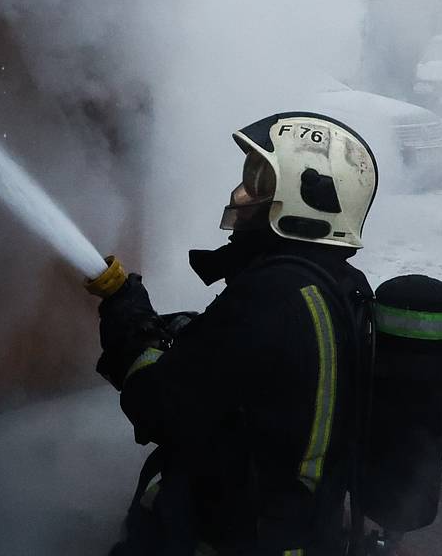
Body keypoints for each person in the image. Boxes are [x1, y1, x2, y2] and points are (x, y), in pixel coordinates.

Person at [88, 112, 379, 556]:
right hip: (303, 532)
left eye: (260, 183)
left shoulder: (272, 295)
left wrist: (128, 316)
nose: (241, 194)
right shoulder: (338, 285)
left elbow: (158, 405)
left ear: (307, 199)